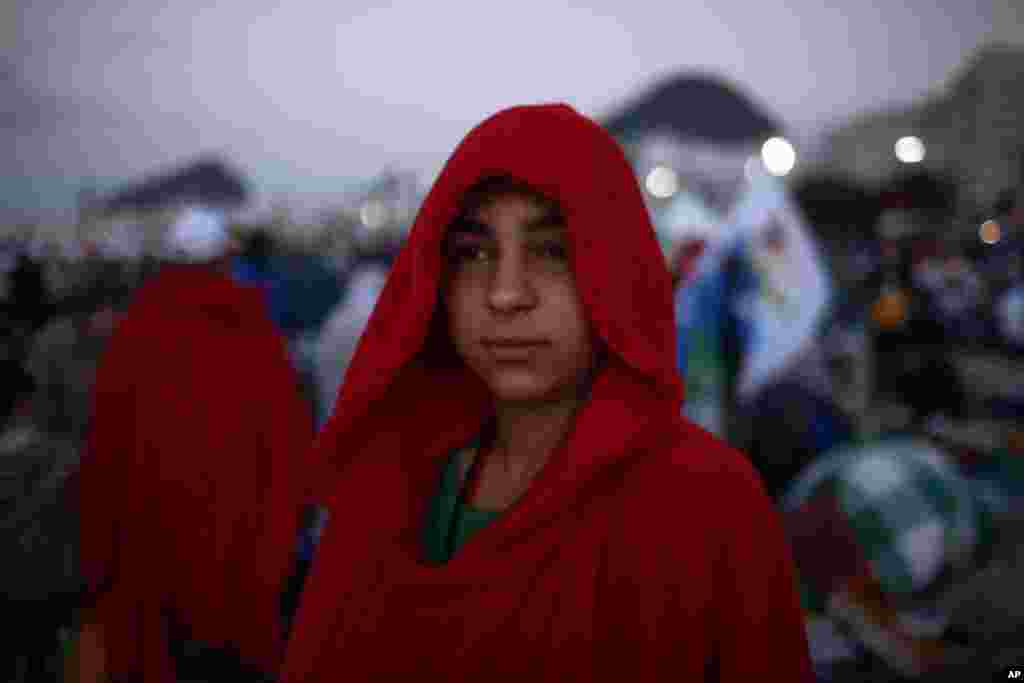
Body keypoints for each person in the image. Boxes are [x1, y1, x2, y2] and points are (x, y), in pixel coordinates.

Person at [281, 104, 812, 681]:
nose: (506, 294)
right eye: (474, 254)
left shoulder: (707, 507)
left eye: (552, 251)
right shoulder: (385, 495)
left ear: (615, 271)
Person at [76, 206, 315, 682]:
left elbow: (105, 453)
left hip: (154, 563)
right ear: (225, 256)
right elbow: (287, 442)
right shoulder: (251, 325)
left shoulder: (135, 331)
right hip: (240, 559)